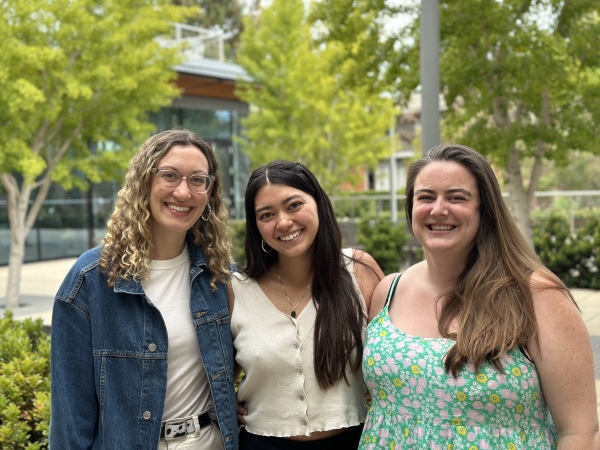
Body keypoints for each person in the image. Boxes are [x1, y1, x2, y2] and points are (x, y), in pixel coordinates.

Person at [361, 144, 600, 449]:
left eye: (456, 197)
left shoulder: (536, 296)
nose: (438, 209)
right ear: (410, 209)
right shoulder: (387, 292)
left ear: (484, 209)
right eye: (426, 197)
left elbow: (580, 432)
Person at [50, 129, 238, 450]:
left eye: (197, 180)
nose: (183, 192)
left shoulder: (219, 274)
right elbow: (70, 415)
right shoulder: (90, 280)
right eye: (169, 175)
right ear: (143, 183)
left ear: (210, 192)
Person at [229, 160, 384, 449]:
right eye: (267, 214)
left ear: (318, 203)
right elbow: (215, 375)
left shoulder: (359, 271)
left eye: (294, 205)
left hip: (352, 441)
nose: (284, 222)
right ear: (256, 226)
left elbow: (394, 357)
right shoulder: (237, 289)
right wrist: (224, 402)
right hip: (261, 444)